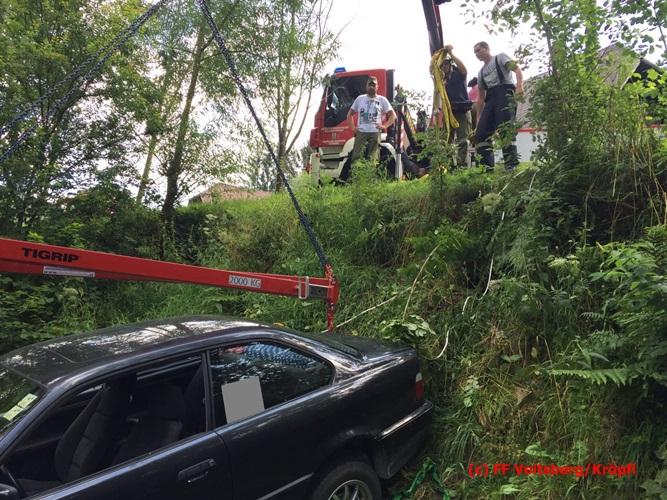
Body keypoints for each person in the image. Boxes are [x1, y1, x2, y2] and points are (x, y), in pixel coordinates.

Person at [473, 41, 523, 172]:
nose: (476, 54)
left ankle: (511, 165)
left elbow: (517, 69)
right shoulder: (481, 73)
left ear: (487, 48)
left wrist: (519, 85)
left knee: (505, 128)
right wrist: (478, 119)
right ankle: (486, 168)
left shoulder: (500, 57)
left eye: (478, 50)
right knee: (481, 133)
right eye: (475, 52)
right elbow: (481, 98)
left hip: (505, 93)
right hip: (491, 99)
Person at [346, 76, 396, 166]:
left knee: (373, 159)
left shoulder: (382, 100)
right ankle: (357, 174)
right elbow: (349, 114)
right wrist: (353, 128)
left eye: (374, 85)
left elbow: (393, 115)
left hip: (375, 133)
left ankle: (370, 174)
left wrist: (384, 126)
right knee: (356, 158)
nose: (371, 87)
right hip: (361, 132)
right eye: (370, 85)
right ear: (366, 86)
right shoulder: (360, 99)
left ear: (377, 87)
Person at [440, 44, 473, 167]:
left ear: (450, 64)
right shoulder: (441, 79)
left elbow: (464, 69)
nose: (444, 67)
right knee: (446, 139)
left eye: (446, 64)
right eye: (441, 65)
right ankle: (448, 165)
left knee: (463, 139)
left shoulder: (458, 74)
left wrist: (451, 54)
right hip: (449, 112)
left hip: (462, 111)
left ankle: (461, 164)